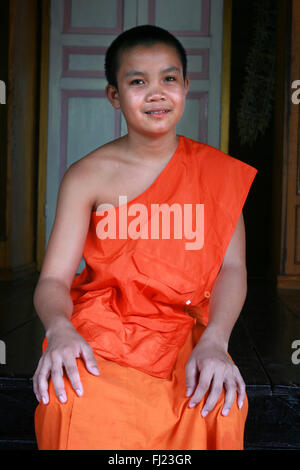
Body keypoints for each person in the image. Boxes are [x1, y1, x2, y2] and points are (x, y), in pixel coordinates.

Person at [33, 25, 257, 450]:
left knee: (216, 405)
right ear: (114, 95)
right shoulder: (87, 176)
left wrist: (216, 341)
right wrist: (60, 329)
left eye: (168, 79)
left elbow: (232, 268)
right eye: (138, 82)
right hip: (103, 328)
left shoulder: (216, 174)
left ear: (186, 87)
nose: (156, 93)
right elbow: (53, 281)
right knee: (70, 400)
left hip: (185, 329)